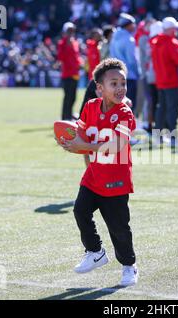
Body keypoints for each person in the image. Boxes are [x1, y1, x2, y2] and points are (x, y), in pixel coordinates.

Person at [59, 58, 138, 287]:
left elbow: (118, 145)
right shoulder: (91, 106)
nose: (120, 88)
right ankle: (95, 251)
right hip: (94, 175)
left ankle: (128, 266)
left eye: (123, 83)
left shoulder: (125, 113)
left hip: (116, 179)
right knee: (80, 210)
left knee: (118, 227)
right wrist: (69, 143)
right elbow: (82, 137)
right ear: (99, 88)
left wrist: (85, 147)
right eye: (114, 83)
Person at [151, 16, 178, 147]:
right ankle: (173, 138)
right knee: (172, 109)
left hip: (161, 81)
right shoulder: (172, 43)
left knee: (161, 109)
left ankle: (158, 137)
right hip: (172, 81)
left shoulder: (156, 42)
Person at [110, 13, 139, 112]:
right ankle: (124, 127)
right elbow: (132, 60)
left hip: (115, 75)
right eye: (133, 24)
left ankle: (116, 126)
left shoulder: (114, 37)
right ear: (128, 25)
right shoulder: (129, 39)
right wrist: (138, 73)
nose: (134, 26)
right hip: (128, 76)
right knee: (128, 105)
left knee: (117, 104)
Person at [57, 22, 83, 120]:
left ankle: (69, 115)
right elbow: (60, 58)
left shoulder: (75, 42)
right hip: (67, 74)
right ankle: (65, 117)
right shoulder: (62, 43)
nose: (71, 33)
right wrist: (67, 45)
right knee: (67, 97)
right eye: (69, 31)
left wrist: (80, 63)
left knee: (73, 97)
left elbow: (76, 57)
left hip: (75, 73)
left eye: (72, 31)